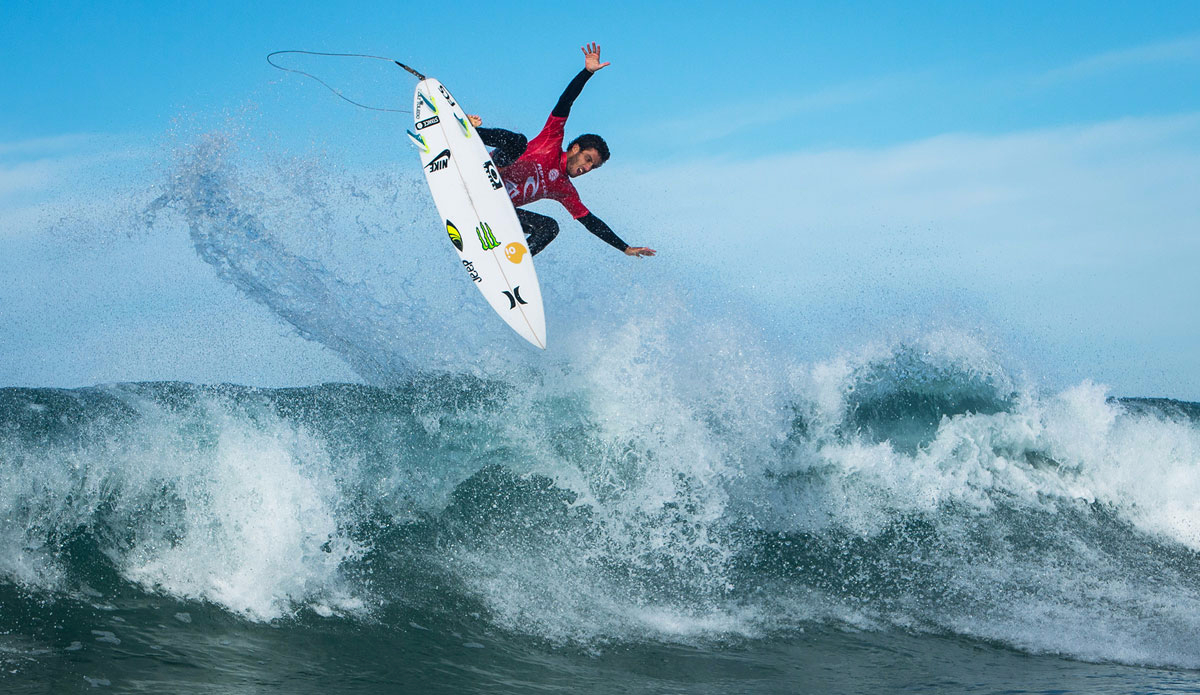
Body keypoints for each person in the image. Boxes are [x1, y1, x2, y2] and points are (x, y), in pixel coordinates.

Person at [467, 43, 656, 258]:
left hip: (494, 209)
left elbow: (591, 222)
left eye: (592, 167)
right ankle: (467, 131)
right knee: (519, 142)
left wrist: (625, 248)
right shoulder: (551, 140)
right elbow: (566, 101)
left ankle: (511, 264)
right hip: (483, 173)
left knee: (550, 228)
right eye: (587, 159)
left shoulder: (564, 189)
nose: (586, 168)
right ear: (575, 148)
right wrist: (587, 73)